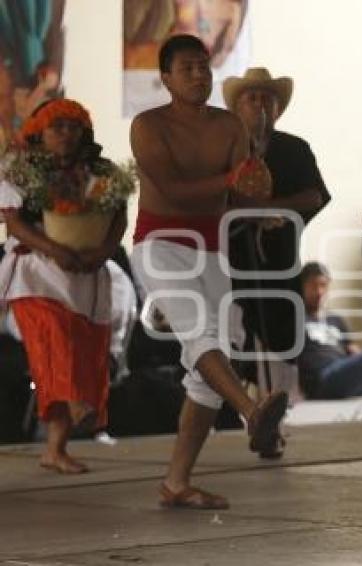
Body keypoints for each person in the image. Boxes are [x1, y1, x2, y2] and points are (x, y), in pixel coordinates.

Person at [129, 34, 287, 510]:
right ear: (166, 78)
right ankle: (252, 412)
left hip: (213, 250)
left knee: (210, 366)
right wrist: (233, 181)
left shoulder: (229, 125)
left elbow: (241, 194)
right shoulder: (147, 125)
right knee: (203, 338)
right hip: (158, 245)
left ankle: (177, 482)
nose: (199, 75)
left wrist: (257, 194)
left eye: (204, 66)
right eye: (187, 68)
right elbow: (175, 190)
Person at [0, 98, 127, 473]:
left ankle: (55, 448)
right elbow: (16, 224)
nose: (66, 134)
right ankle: (73, 404)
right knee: (53, 344)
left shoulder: (101, 171)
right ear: (40, 131)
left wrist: (103, 250)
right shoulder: (21, 169)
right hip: (36, 272)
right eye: (58, 127)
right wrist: (53, 249)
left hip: (86, 272)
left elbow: (118, 217)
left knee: (83, 349)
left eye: (74, 127)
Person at [223, 67, 330, 438]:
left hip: (280, 262)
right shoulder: (224, 149)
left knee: (283, 344)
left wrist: (274, 210)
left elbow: (314, 195)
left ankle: (272, 425)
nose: (259, 104)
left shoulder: (294, 149)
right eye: (250, 98)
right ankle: (240, 414)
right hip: (231, 265)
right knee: (233, 339)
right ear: (236, 108)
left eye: (266, 98)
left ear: (277, 108)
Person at [298, 261, 362, 399]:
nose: (319, 292)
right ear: (302, 287)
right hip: (321, 378)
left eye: (323, 285)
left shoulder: (335, 319)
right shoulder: (297, 319)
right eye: (313, 285)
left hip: (342, 375)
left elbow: (353, 351)